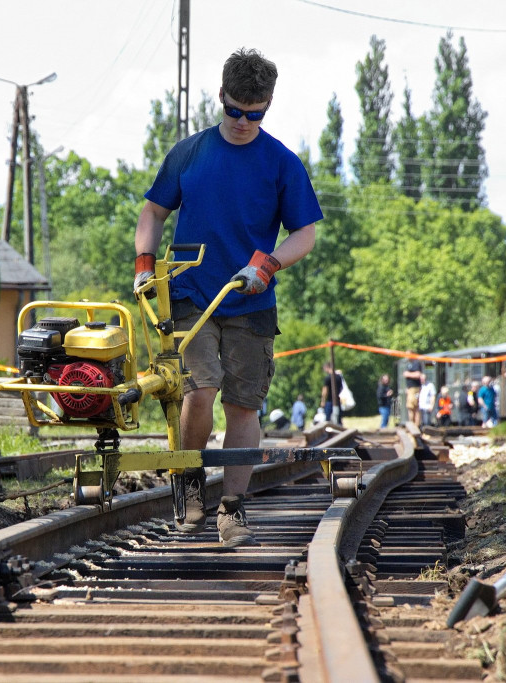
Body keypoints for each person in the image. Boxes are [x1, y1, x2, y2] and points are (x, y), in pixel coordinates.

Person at [133, 47, 321, 547]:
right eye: (235, 110)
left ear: (268, 105)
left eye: (254, 113)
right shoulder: (190, 154)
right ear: (221, 97)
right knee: (200, 390)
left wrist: (271, 263)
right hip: (191, 294)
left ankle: (232, 509)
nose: (242, 121)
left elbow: (305, 234)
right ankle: (190, 482)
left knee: (244, 405)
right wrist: (144, 266)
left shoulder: (281, 163)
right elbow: (152, 213)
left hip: (251, 299)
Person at [402, 356, 425, 425]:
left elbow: (418, 374)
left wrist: (407, 374)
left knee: (414, 407)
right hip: (410, 389)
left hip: (415, 389)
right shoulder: (408, 364)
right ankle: (411, 425)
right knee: (410, 407)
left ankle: (415, 426)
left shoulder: (416, 363)